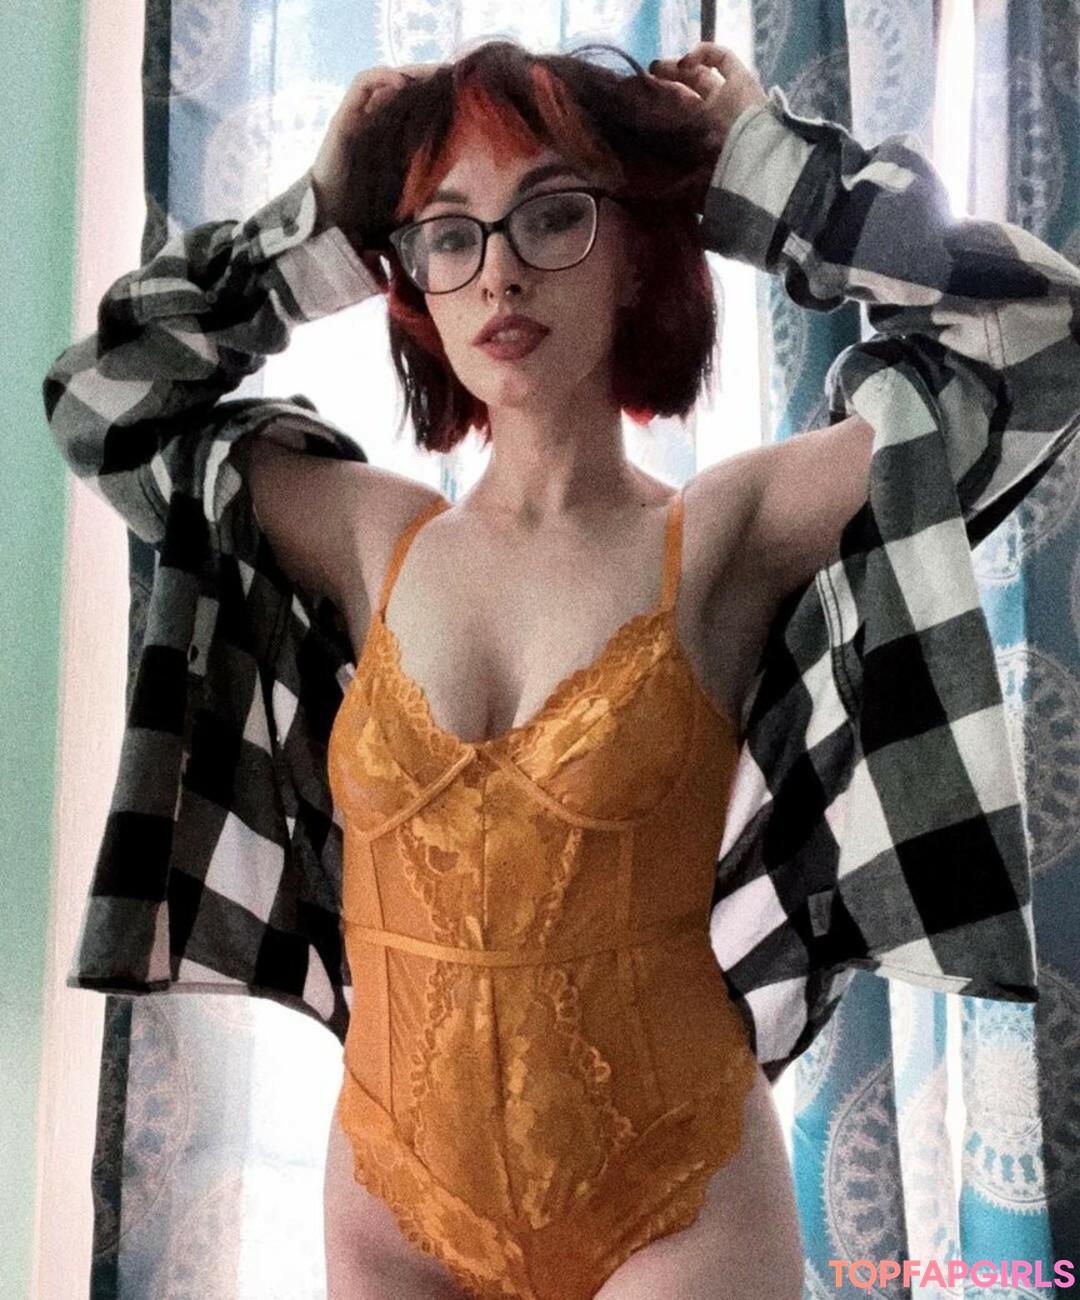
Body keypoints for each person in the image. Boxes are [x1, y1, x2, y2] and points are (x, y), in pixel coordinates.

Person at [44, 34, 1080, 1300]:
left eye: (553, 215)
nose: (501, 272)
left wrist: (774, 173)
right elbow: (102, 405)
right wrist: (315, 220)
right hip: (390, 1200)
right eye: (450, 233)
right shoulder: (366, 537)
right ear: (414, 281)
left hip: (678, 1203)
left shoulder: (723, 537)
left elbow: (1040, 339)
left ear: (637, 248)